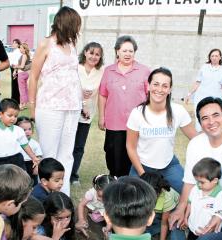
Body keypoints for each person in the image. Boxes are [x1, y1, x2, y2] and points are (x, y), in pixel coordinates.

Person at [28, 6, 82, 196]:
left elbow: (73, 75)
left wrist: (81, 98)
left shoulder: (72, 45)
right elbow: (33, 77)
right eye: (76, 25)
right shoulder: (46, 44)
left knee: (67, 155)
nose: (78, 29)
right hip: (50, 107)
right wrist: (32, 107)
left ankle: (62, 195)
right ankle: (44, 196)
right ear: (66, 23)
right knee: (49, 156)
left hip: (72, 107)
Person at [169, 97, 222, 240]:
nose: (211, 122)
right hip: (203, 197)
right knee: (177, 221)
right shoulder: (196, 144)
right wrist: (182, 207)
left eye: (216, 115)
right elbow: (190, 182)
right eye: (205, 118)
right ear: (200, 123)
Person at [127, 67, 197, 193]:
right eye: (156, 84)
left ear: (169, 90)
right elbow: (130, 147)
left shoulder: (178, 111)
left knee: (190, 194)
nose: (159, 89)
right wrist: (143, 175)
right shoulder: (137, 113)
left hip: (169, 165)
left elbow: (196, 138)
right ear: (148, 86)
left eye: (165, 86)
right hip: (142, 166)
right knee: (133, 200)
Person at [99, 35, 150, 177]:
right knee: (113, 158)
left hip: (138, 124)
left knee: (135, 159)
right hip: (114, 123)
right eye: (124, 51)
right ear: (117, 52)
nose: (128, 54)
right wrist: (101, 117)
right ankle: (116, 184)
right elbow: (102, 94)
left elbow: (150, 96)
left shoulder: (144, 71)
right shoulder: (108, 71)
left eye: (131, 51)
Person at [70, 42, 105, 185]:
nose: (93, 56)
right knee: (67, 144)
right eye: (91, 53)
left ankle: (73, 174)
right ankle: (61, 171)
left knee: (79, 146)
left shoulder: (102, 71)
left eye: (97, 54)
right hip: (71, 111)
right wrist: (79, 93)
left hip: (87, 115)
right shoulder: (75, 68)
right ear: (85, 52)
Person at [0, 98, 39, 170]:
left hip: (16, 159)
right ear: (0, 114)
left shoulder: (19, 130)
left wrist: (33, 157)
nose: (13, 118)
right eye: (10, 115)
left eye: (15, 116)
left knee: (18, 179)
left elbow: (25, 145)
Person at [185, 48, 222, 132]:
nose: (214, 58)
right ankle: (200, 136)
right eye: (212, 56)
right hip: (200, 98)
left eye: (216, 56)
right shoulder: (204, 67)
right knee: (200, 119)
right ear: (210, 57)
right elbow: (197, 82)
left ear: (220, 57)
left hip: (215, 100)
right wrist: (189, 94)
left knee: (213, 120)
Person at [140, 172, 179, 240]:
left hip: (171, 210)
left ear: (159, 191)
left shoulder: (167, 197)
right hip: (157, 210)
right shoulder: (141, 192)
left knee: (171, 225)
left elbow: (164, 224)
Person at [76, 174, 116, 238]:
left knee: (109, 215)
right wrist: (81, 219)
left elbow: (109, 211)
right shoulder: (91, 193)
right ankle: (86, 218)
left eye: (105, 198)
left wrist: (109, 224)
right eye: (99, 196)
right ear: (96, 189)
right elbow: (81, 205)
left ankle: (107, 229)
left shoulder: (112, 196)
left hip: (102, 209)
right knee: (86, 207)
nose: (101, 199)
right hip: (91, 206)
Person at [17, 116, 42, 186]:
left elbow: (39, 156)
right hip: (19, 164)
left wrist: (37, 167)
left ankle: (32, 195)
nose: (27, 132)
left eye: (29, 129)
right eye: (24, 130)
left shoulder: (35, 143)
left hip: (31, 164)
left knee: (32, 183)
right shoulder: (16, 142)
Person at [13, 42, 32, 109]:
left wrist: (15, 66)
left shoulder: (24, 55)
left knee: (22, 90)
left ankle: (22, 105)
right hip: (24, 73)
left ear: (24, 49)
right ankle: (25, 104)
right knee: (25, 89)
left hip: (22, 73)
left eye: (21, 48)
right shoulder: (26, 55)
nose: (20, 49)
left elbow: (22, 66)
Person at [8, 38, 22, 103]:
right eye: (13, 42)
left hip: (15, 69)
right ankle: (14, 98)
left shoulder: (18, 51)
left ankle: (16, 100)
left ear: (18, 44)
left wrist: (15, 70)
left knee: (15, 84)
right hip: (12, 68)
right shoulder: (15, 51)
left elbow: (17, 62)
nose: (13, 44)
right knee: (14, 84)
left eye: (14, 43)